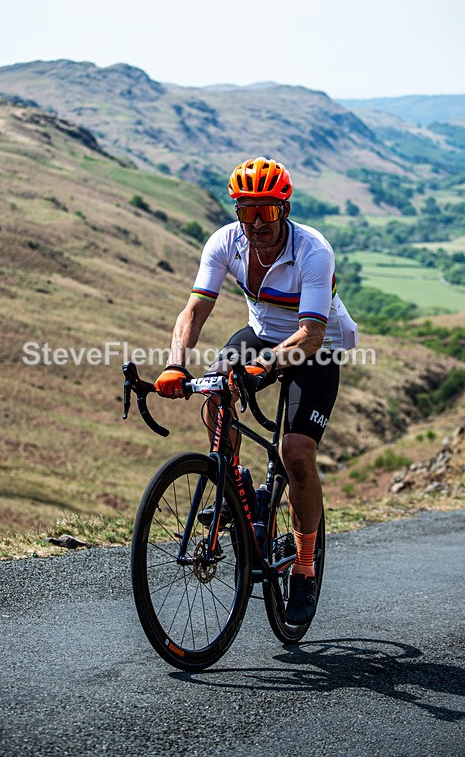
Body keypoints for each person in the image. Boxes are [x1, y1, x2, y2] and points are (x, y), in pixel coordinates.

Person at [154, 157, 358, 625]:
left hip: (316, 345)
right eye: (247, 212)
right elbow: (193, 312)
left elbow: (310, 335)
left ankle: (304, 566)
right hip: (262, 335)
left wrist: (263, 365)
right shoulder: (226, 242)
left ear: (284, 210)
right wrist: (175, 363)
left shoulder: (312, 250)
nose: (256, 223)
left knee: (296, 453)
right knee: (215, 396)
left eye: (266, 211)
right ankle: (239, 486)